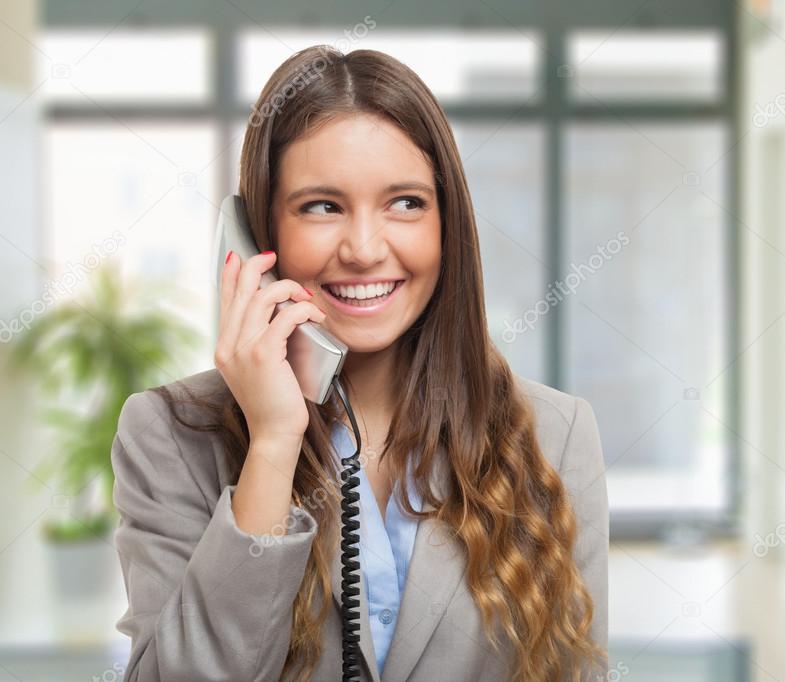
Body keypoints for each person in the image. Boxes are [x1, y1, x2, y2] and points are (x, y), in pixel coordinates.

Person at [110, 45, 608, 682]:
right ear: (258, 238)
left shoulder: (557, 434)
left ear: (447, 223)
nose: (366, 249)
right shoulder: (170, 435)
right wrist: (273, 443)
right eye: (322, 206)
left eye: (405, 203)